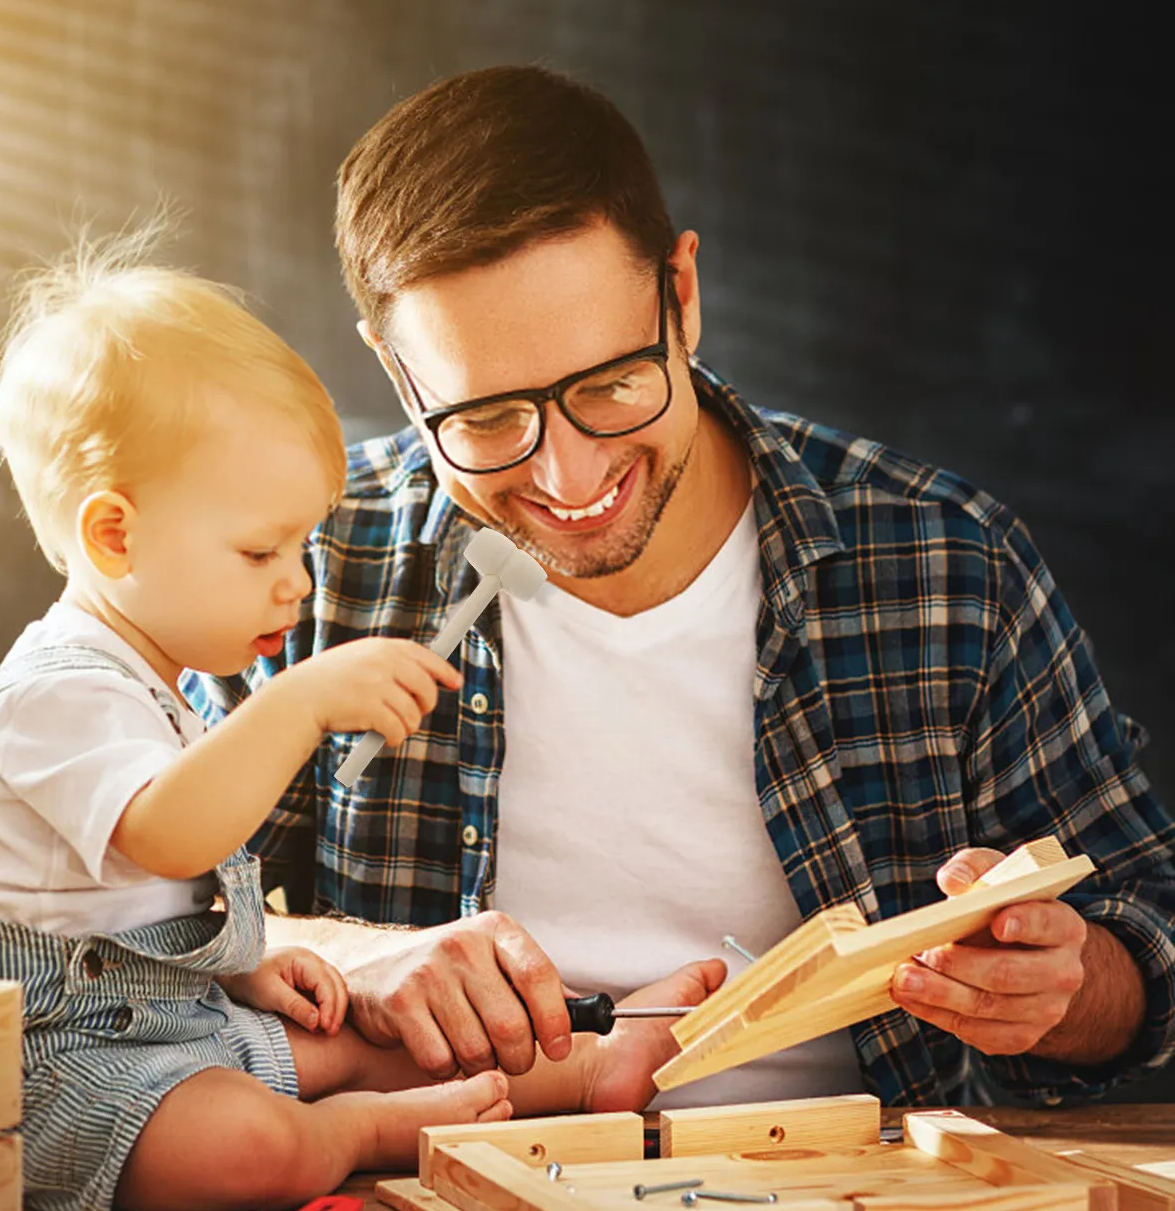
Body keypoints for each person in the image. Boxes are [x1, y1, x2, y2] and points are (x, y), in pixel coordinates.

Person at [188, 65, 1175, 1111]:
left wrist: (1065, 988)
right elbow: (116, 916)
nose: (565, 480)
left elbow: (1149, 928)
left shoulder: (946, 564)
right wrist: (347, 956)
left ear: (683, 294)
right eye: (484, 422)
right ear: (397, 374)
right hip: (446, 1199)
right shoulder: (318, 561)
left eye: (611, 385)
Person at [0, 244, 715, 1211]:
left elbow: (115, 899)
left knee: (365, 1033)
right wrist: (301, 700)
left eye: (303, 545)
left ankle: (590, 1069)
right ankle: (359, 1133)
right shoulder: (50, 700)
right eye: (259, 550)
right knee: (250, 1139)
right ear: (113, 536)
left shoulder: (143, 687)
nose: (297, 584)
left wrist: (244, 962)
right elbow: (167, 835)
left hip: (154, 1022)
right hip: (37, 1064)